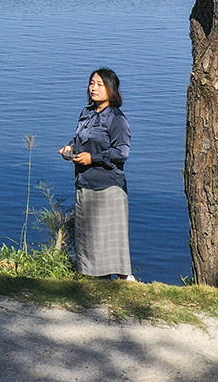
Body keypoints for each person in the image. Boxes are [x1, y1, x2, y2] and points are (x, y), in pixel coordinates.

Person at [59, 67, 132, 279]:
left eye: (100, 84)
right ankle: (91, 277)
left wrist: (94, 158)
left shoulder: (116, 119)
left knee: (110, 239)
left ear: (112, 89)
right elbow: (80, 140)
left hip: (108, 186)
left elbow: (122, 152)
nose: (94, 88)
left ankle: (122, 278)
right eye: (92, 83)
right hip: (84, 182)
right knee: (88, 236)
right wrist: (70, 148)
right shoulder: (87, 113)